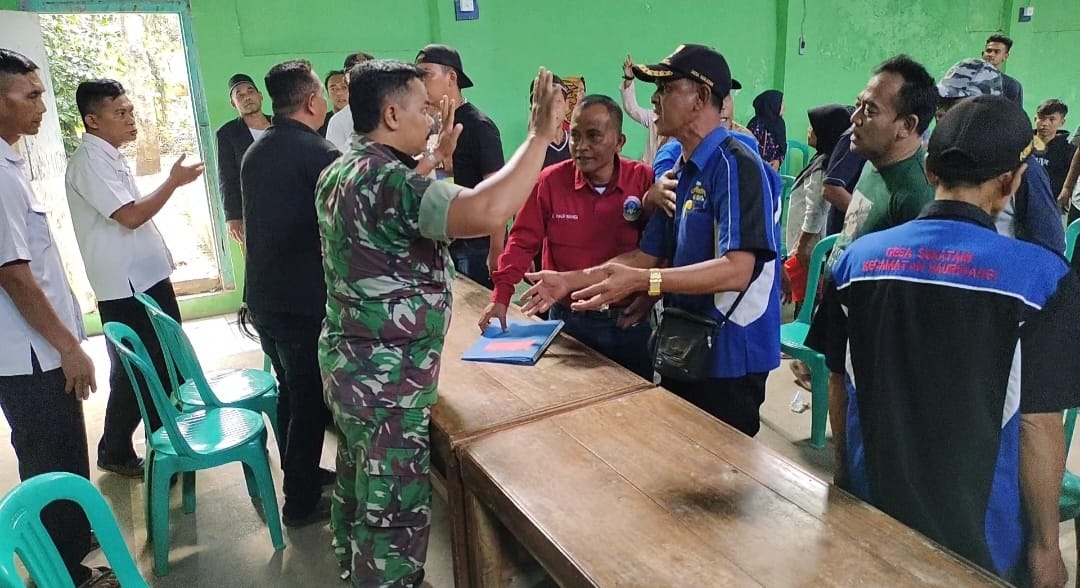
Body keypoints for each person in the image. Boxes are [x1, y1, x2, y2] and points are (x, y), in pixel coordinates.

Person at [315, 60, 562, 586]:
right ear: (389, 112)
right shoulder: (390, 180)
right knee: (394, 514)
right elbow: (489, 209)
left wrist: (432, 160)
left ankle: (357, 569)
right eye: (422, 108)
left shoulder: (340, 169)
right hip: (388, 384)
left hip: (351, 368)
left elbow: (395, 213)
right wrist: (540, 136)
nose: (431, 117)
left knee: (361, 488)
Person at [824, 94, 1079, 587]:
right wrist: (1046, 547)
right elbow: (1038, 426)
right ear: (1010, 183)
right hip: (980, 542)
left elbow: (839, 381)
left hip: (875, 515)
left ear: (929, 167)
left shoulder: (855, 264)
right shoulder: (1042, 281)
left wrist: (844, 479)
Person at [521, 44, 782, 438]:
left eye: (665, 88)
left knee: (719, 475)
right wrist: (568, 281)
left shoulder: (736, 165)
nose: (654, 99)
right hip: (686, 344)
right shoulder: (680, 171)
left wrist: (649, 284)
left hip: (730, 352)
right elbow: (645, 256)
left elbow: (737, 270)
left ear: (700, 98)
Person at [0, 48, 115, 588]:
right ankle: (63, 573)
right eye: (31, 95)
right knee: (53, 462)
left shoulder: (10, 161)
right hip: (31, 355)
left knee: (58, 456)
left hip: (33, 349)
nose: (42, 105)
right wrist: (68, 346)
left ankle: (67, 544)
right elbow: (16, 275)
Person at [804, 55, 938, 482]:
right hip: (844, 302)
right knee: (836, 378)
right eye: (858, 105)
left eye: (870, 110)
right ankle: (844, 469)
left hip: (878, 328)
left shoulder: (917, 192)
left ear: (907, 125)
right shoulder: (872, 165)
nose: (855, 120)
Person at [65, 79, 204, 478]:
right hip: (125, 287)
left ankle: (141, 445)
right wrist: (173, 182)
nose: (131, 120)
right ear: (92, 120)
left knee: (161, 366)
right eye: (119, 113)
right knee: (143, 370)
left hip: (145, 278)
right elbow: (129, 216)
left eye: (130, 111)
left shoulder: (109, 155)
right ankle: (128, 449)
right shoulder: (89, 161)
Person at [481, 95, 656, 378]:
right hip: (568, 322)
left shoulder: (644, 180)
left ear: (620, 142)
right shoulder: (550, 182)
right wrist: (501, 296)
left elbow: (659, 251)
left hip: (628, 323)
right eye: (574, 135)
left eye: (593, 136)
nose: (581, 146)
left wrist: (650, 296)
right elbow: (522, 242)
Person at [240, 60, 339, 528]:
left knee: (289, 391)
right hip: (301, 301)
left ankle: (300, 474)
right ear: (312, 100)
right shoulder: (318, 153)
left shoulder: (257, 151)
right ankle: (299, 501)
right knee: (309, 401)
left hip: (264, 297)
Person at [936, 59, 1064, 254]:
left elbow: (1049, 245)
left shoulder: (1022, 169)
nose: (943, 114)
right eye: (942, 104)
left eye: (956, 106)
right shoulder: (938, 157)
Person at [416, 44, 505, 288]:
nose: (420, 82)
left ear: (451, 77)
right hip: (439, 241)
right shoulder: (425, 125)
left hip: (474, 246)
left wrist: (498, 249)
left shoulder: (478, 126)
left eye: (427, 74)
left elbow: (498, 191)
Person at [785, 104, 852, 304]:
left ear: (827, 132)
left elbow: (814, 212)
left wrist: (802, 246)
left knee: (807, 300)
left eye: (814, 127)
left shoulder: (822, 168)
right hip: (806, 247)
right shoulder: (821, 160)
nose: (809, 130)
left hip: (808, 250)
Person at [215, 73, 271, 244]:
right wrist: (232, 216)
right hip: (253, 212)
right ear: (233, 103)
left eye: (250, 91)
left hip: (288, 206)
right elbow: (226, 177)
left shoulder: (280, 124)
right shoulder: (227, 134)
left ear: (260, 95)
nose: (247, 97)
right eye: (239, 95)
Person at [1030, 99, 1077, 221]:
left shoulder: (1068, 151)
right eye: (1041, 118)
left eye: (1051, 119)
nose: (1045, 123)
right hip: (1022, 204)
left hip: (1052, 209)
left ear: (1062, 122)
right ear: (1035, 119)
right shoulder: (1022, 145)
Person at [620, 53, 664, 165]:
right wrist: (629, 78)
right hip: (649, 175)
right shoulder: (653, 117)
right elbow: (632, 109)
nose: (653, 98)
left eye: (663, 91)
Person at [326, 51, 375, 150]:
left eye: (367, 73)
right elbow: (334, 161)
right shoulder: (337, 121)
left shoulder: (391, 112)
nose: (360, 78)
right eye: (353, 74)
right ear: (345, 79)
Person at [531, 75, 571, 168]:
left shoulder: (577, 146)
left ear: (567, 105)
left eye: (557, 101)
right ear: (533, 111)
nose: (551, 109)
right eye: (544, 103)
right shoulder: (529, 154)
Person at [747, 90, 786, 170]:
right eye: (781, 103)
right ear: (772, 104)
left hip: (772, 171)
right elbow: (748, 150)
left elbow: (782, 148)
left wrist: (778, 161)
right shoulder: (756, 125)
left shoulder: (780, 124)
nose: (784, 106)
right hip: (755, 170)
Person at [981, 33, 1023, 105]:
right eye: (988, 50)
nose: (991, 54)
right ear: (982, 54)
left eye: (996, 52)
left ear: (1005, 56)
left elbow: (1015, 114)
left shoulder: (1011, 85)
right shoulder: (968, 78)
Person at [319, 69, 348, 137]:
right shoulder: (320, 122)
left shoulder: (361, 120)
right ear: (328, 93)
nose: (339, 93)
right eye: (333, 89)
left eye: (344, 87)